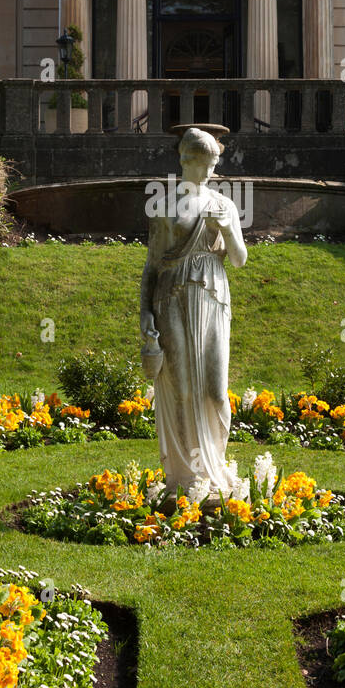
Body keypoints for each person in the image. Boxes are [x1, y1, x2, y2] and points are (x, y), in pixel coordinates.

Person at [140, 126, 248, 504]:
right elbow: (152, 268)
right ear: (186, 160)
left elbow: (239, 259)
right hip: (171, 297)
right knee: (183, 388)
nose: (210, 173)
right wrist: (144, 317)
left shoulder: (224, 205)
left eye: (214, 165)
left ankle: (215, 465)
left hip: (213, 296)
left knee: (217, 392)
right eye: (205, 164)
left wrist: (228, 232)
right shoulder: (165, 207)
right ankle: (188, 476)